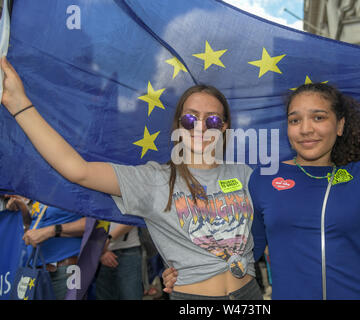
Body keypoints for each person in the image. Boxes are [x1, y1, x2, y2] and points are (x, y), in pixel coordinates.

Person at [1, 57, 261, 300]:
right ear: (179, 124)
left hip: (249, 295)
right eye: (191, 118)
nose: (201, 127)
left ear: (224, 127)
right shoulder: (154, 179)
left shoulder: (244, 174)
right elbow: (77, 169)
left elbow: (275, 224)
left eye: (213, 120)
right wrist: (19, 104)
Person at [162, 83, 360, 300]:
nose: (305, 129)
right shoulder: (262, 180)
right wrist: (186, 272)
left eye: (319, 117)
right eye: (295, 120)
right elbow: (239, 254)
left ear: (339, 125)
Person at [6, 197, 85, 300]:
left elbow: (93, 224)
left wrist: (51, 231)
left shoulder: (78, 187)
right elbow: (36, 225)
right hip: (37, 270)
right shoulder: (42, 189)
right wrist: (23, 209)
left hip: (64, 269)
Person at [95, 222, 143, 300]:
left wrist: (107, 240)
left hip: (128, 249)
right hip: (99, 252)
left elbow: (132, 217)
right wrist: (101, 251)